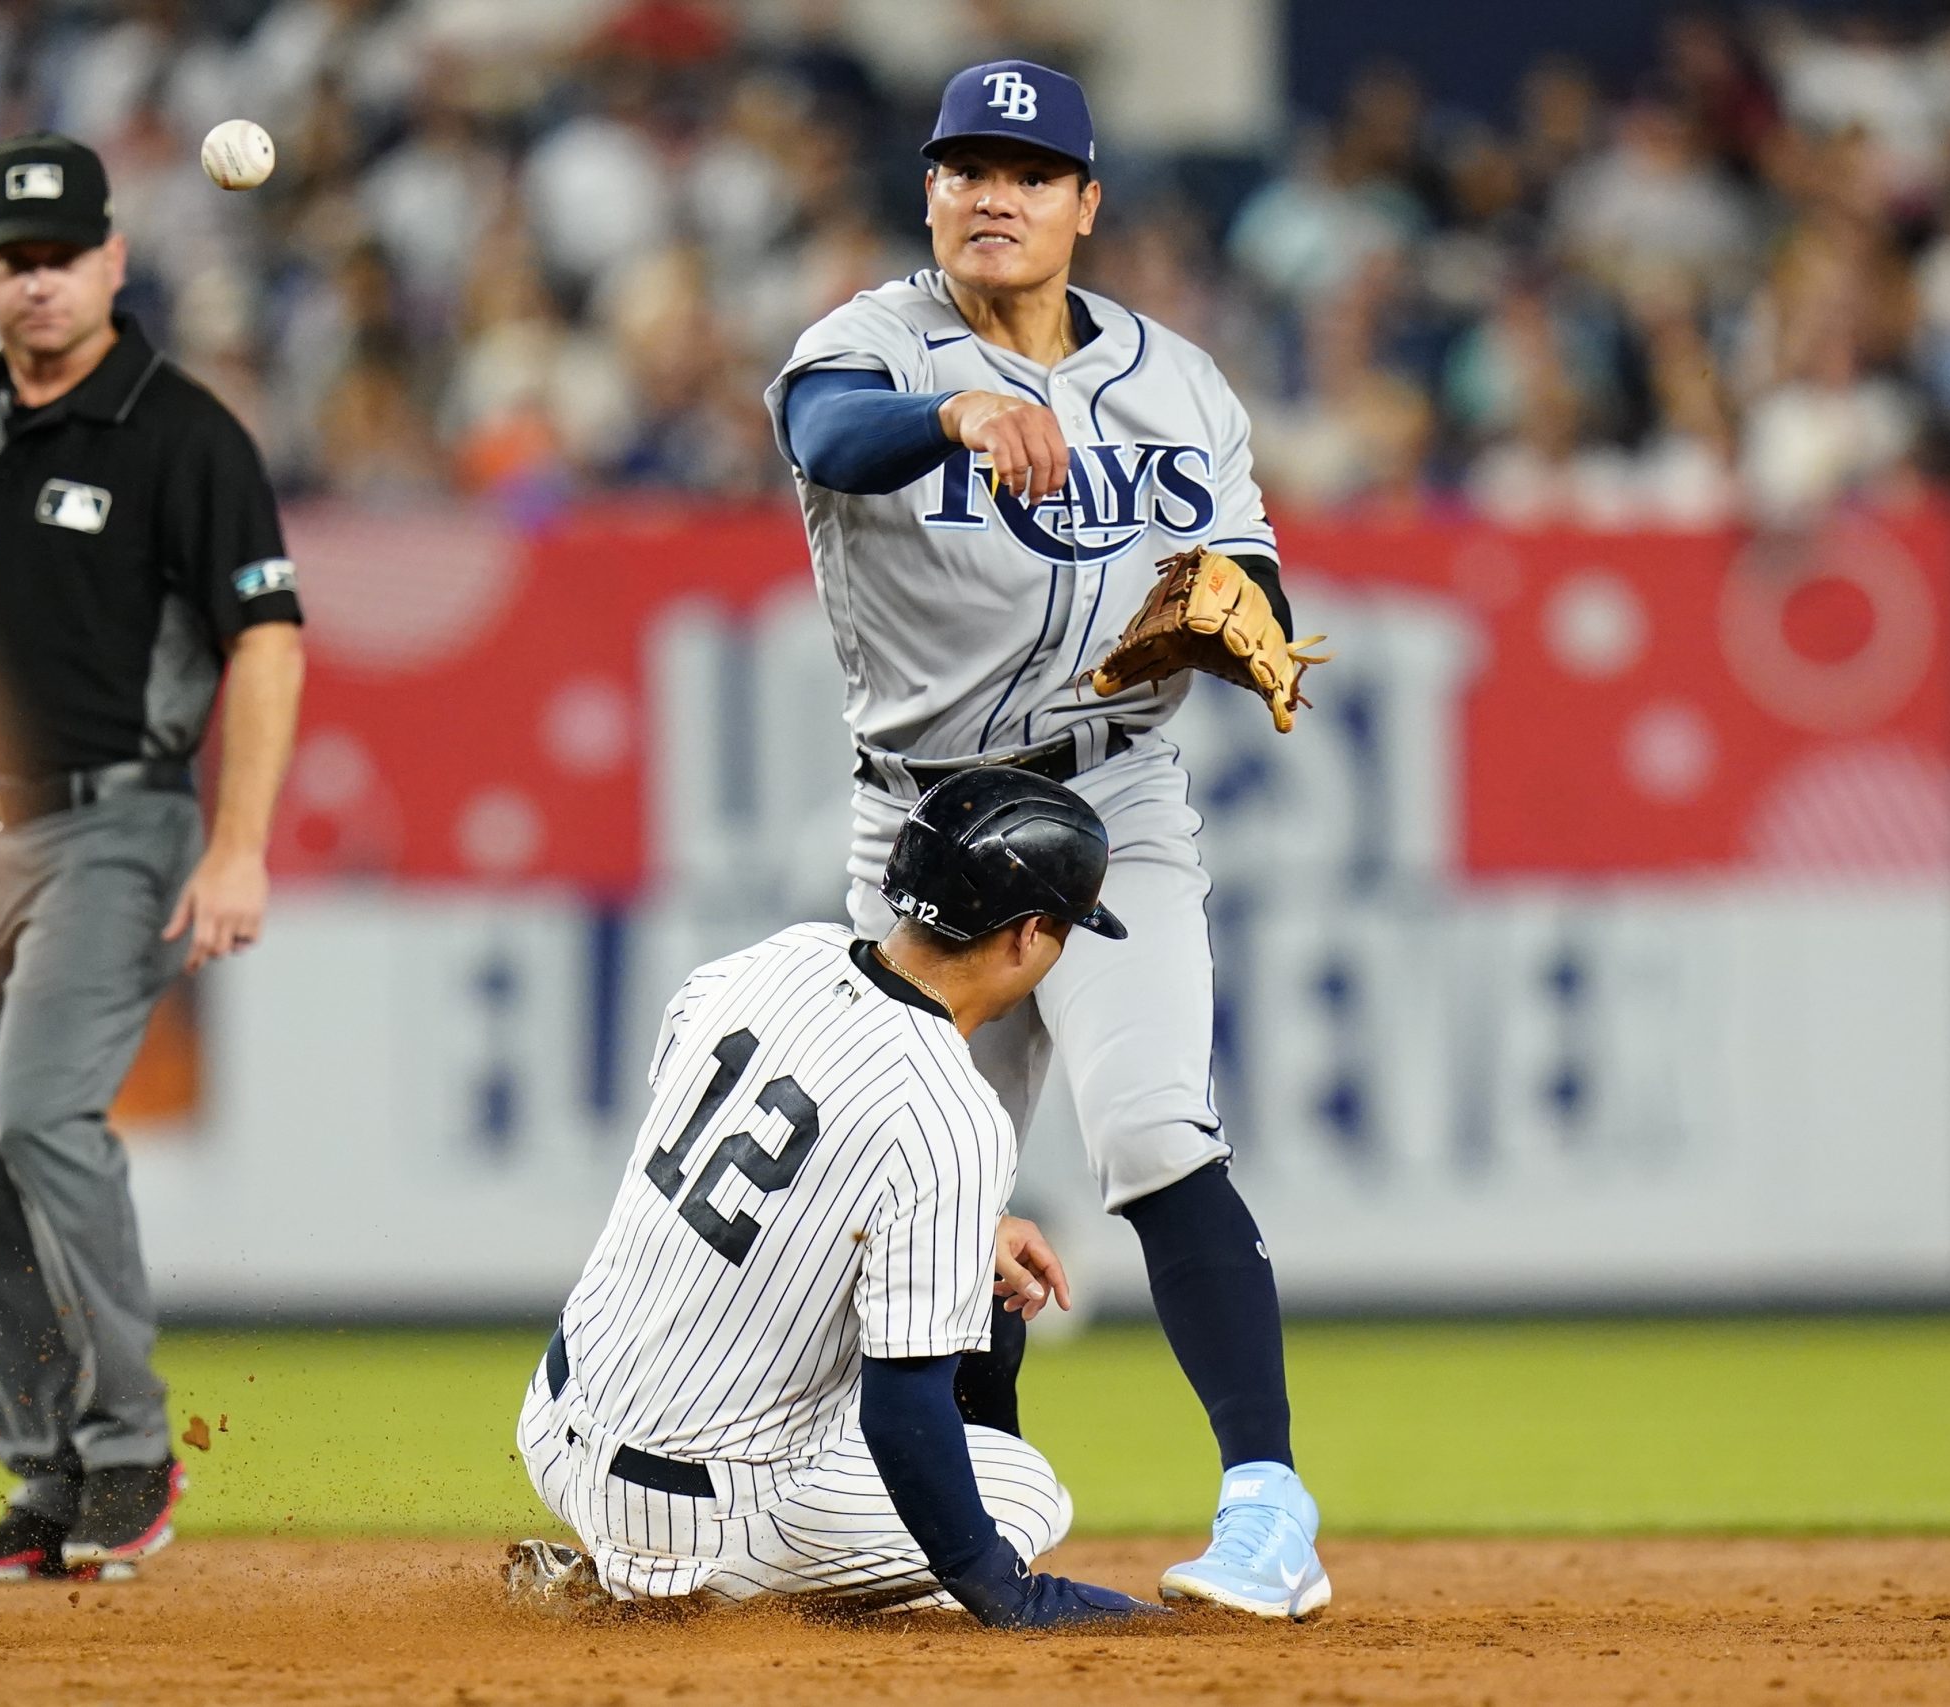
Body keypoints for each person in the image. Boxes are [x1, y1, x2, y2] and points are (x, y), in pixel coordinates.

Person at [763, 61, 1331, 1618]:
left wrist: (1246, 620)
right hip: (929, 818)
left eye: (1029, 170)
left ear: (1087, 204)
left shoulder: (1180, 383)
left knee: (1151, 1128)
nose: (992, 193)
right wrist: (954, 408)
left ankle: (1270, 1506)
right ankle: (981, 1513)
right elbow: (833, 442)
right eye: (964, 166)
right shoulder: (865, 342)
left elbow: (1249, 566)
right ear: (929, 192)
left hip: (1114, 802)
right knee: (936, 1185)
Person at [0, 133, 306, 1582]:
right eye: (15, 257)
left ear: (114, 260)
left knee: (38, 1112)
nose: (42, 281)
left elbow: (268, 636)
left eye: (66, 255)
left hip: (117, 822)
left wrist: (237, 845)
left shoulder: (183, 433)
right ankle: (48, 1472)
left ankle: (129, 1449)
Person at [512, 769, 1158, 1626]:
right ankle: (651, 1591)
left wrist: (962, 1228)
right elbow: (904, 1414)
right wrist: (1005, 1589)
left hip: (555, 1415)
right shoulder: (951, 1113)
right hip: (697, 1512)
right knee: (1026, 1495)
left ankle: (628, 1557)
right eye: (1065, 930)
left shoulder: (771, 959)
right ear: (1028, 935)